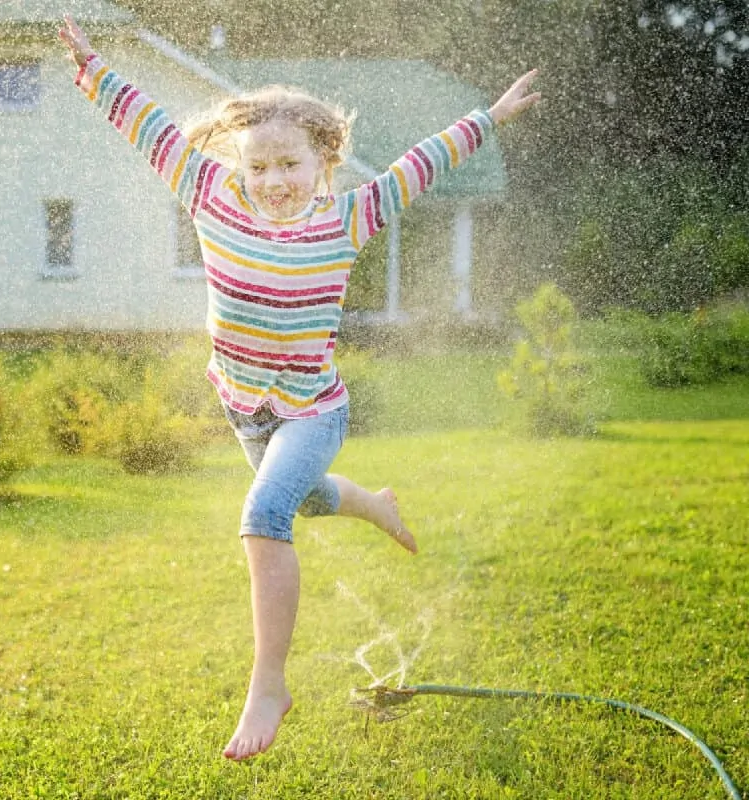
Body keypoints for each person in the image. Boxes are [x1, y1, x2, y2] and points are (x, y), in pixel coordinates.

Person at [57, 14, 541, 761]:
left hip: (315, 411)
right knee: (309, 501)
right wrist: (93, 70)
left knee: (264, 514)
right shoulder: (209, 194)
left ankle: (269, 683)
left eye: (289, 164)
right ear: (238, 167)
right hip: (244, 410)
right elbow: (147, 126)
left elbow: (422, 163)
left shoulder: (350, 217)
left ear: (324, 160)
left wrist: (492, 116)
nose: (273, 181)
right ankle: (372, 503)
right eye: (259, 167)